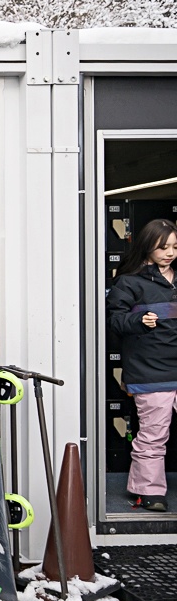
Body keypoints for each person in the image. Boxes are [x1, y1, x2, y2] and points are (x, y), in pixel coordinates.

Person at [107, 218, 177, 512]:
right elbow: (115, 321)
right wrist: (139, 320)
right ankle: (148, 492)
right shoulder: (130, 282)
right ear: (147, 247)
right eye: (163, 247)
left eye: (174, 247)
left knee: (154, 434)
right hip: (151, 370)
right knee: (153, 435)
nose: (170, 253)